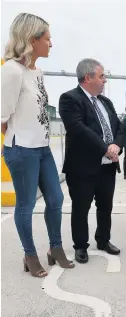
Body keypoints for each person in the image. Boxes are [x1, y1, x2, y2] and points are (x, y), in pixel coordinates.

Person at [1, 13, 74, 277]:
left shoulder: (38, 72)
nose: (51, 44)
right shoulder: (11, 70)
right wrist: (21, 138)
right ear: (32, 40)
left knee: (55, 199)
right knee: (26, 205)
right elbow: (2, 117)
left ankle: (55, 248)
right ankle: (30, 255)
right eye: (47, 38)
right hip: (22, 150)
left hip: (42, 149)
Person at [59, 58, 124, 264]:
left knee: (105, 206)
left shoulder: (106, 102)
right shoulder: (70, 99)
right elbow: (78, 129)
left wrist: (116, 145)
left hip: (107, 167)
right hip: (82, 168)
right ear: (88, 77)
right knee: (81, 207)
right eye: (102, 76)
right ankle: (80, 246)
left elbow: (119, 127)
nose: (105, 80)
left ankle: (103, 240)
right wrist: (105, 148)